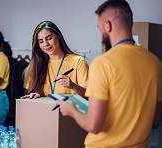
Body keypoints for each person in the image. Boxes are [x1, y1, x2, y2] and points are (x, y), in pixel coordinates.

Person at [56, 0, 162, 147]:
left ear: (108, 25)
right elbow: (156, 121)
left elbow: (94, 125)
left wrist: (71, 110)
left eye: (99, 28)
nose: (100, 32)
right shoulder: (155, 63)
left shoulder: (103, 63)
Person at [21, 20, 89, 99]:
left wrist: (73, 86)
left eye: (49, 38)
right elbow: (38, 93)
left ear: (58, 35)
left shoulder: (78, 61)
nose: (46, 44)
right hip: (44, 110)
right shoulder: (36, 65)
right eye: (41, 41)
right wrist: (38, 95)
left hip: (69, 110)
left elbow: (89, 95)